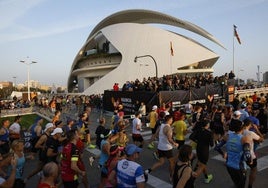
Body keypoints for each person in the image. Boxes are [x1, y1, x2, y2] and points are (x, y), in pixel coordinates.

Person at [145, 115, 178, 181]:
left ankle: (148, 171)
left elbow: (155, 135)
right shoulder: (168, 128)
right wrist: (174, 143)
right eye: (171, 119)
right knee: (172, 162)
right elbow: (169, 139)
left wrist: (150, 141)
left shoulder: (161, 126)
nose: (172, 121)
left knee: (161, 162)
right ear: (169, 120)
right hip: (167, 148)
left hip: (160, 147)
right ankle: (171, 176)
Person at [225, 119, 252, 188]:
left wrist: (223, 153)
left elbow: (217, 147)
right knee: (241, 185)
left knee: (236, 182)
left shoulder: (228, 136)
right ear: (242, 128)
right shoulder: (244, 139)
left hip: (229, 165)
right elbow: (248, 155)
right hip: (240, 167)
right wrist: (250, 161)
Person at [242, 119, 264, 188]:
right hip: (250, 155)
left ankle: (241, 184)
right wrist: (257, 129)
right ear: (250, 125)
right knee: (254, 170)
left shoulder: (239, 131)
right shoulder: (251, 133)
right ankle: (250, 186)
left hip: (240, 155)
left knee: (242, 170)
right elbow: (262, 139)